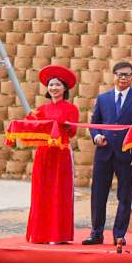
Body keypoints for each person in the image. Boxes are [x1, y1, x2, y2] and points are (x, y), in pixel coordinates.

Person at [84, 60, 132, 245]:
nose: (123, 78)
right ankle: (96, 232)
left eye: (127, 75)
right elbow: (94, 123)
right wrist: (97, 137)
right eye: (120, 74)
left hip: (127, 154)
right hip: (103, 153)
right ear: (114, 76)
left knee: (124, 196)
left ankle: (119, 234)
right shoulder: (103, 98)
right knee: (98, 194)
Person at [25, 65, 79, 244]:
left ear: (65, 88)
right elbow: (33, 129)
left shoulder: (71, 108)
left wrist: (65, 125)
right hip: (44, 153)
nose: (53, 88)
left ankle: (58, 234)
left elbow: (72, 133)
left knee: (60, 191)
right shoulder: (41, 109)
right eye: (51, 85)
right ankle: (40, 234)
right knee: (42, 191)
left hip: (61, 153)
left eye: (57, 85)